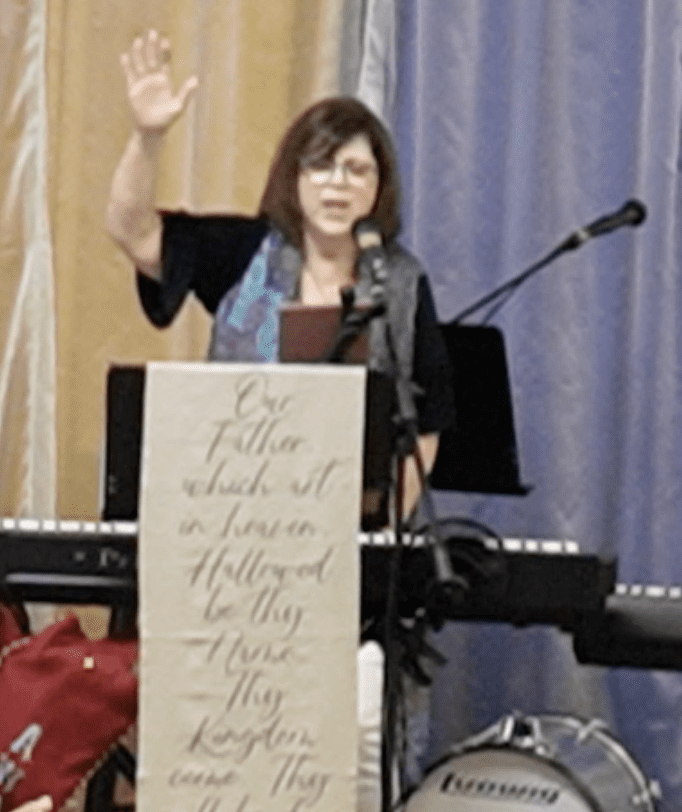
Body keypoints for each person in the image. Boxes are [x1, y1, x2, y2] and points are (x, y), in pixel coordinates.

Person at [104, 30, 453, 812]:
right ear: (292, 178)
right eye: (321, 164)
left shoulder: (401, 283)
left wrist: (376, 535)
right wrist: (148, 134)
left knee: (340, 754)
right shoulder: (241, 252)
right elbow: (132, 231)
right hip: (230, 551)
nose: (337, 182)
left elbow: (428, 414)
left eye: (357, 168)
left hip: (347, 561)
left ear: (379, 189)